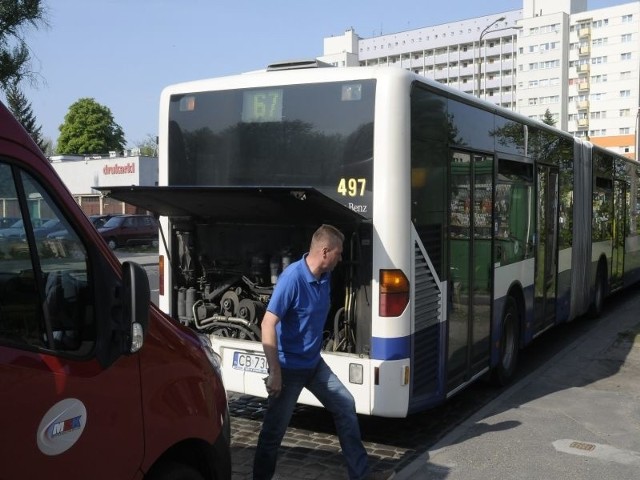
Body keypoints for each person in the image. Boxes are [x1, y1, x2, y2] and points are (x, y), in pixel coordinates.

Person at [253, 224, 394, 480]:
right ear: (325, 252)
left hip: (314, 366)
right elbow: (267, 323)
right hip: (288, 369)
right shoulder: (292, 280)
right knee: (273, 433)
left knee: (345, 405)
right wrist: (275, 371)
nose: (341, 258)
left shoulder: (325, 276)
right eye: (339, 253)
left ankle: (361, 476)